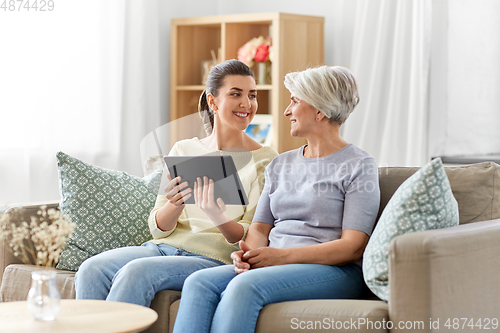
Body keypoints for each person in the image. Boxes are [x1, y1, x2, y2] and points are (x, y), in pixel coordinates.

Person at [172, 65, 381, 333]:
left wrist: (281, 256)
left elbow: (352, 246)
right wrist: (248, 256)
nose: (286, 111)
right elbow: (260, 228)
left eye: (294, 101)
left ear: (319, 110)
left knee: (245, 286)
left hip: (333, 270)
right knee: (198, 283)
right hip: (276, 262)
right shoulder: (280, 163)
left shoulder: (359, 165)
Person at [74, 59, 278, 307]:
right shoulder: (184, 149)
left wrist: (216, 214)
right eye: (236, 94)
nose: (247, 104)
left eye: (252, 95)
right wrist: (176, 204)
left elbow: (252, 236)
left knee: (135, 273)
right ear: (212, 102)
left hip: (212, 258)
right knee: (91, 268)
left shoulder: (266, 159)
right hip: (162, 248)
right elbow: (158, 226)